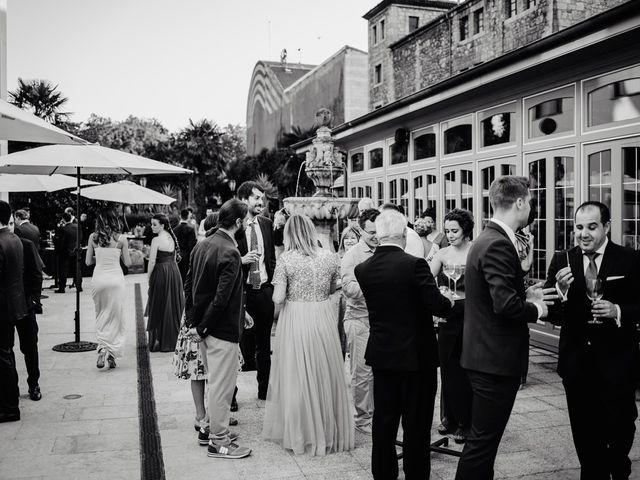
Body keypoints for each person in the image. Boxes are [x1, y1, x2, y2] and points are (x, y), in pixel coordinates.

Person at [455, 176, 551, 480]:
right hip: (494, 362)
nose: (531, 206)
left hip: (484, 356)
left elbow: (494, 295)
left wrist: (526, 292)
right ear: (520, 202)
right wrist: (538, 308)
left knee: (484, 444)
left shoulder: (488, 238)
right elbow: (505, 306)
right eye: (531, 201)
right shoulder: (497, 243)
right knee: (482, 444)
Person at [544, 201, 640, 479]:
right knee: (585, 432)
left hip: (618, 363)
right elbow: (552, 313)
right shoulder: (562, 260)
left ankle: (619, 467)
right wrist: (559, 294)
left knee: (622, 426)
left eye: (591, 226)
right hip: (577, 365)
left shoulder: (629, 259)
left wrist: (618, 310)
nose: (583, 233)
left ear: (606, 226)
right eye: (578, 227)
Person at [355, 209, 453, 480]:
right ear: (402, 233)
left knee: (384, 421)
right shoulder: (415, 264)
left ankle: (384, 475)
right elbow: (437, 305)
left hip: (383, 355)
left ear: (380, 234)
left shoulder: (363, 269)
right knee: (417, 425)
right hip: (416, 357)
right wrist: (448, 300)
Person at [262, 214, 354, 455]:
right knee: (324, 372)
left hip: (296, 318)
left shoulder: (286, 260)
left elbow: (279, 298)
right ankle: (326, 430)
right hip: (323, 316)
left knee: (297, 375)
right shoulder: (330, 256)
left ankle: (302, 433)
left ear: (290, 233)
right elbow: (337, 285)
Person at [185, 198, 252, 459]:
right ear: (237, 222)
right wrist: (202, 327)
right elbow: (222, 298)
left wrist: (194, 324)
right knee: (222, 388)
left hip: (205, 329)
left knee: (215, 384)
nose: (246, 225)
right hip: (220, 330)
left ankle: (211, 431)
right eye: (245, 221)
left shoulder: (201, 245)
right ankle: (218, 441)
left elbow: (187, 286)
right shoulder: (230, 252)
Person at [430, 208, 474, 444]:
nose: (450, 234)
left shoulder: (476, 250)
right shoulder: (442, 253)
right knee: (447, 369)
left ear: (466, 230)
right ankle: (450, 417)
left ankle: (467, 421)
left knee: (466, 370)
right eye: (447, 231)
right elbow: (427, 280)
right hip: (448, 316)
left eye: (454, 230)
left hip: (471, 316)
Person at [236, 181, 276, 400]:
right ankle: (230, 396)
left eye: (262, 198)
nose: (261, 202)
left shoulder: (267, 224)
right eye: (256, 198)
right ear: (243, 199)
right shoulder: (234, 226)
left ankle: (264, 391)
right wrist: (241, 260)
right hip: (242, 292)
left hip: (264, 292)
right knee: (236, 345)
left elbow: (271, 258)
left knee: (265, 344)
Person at [341, 208, 379, 435]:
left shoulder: (387, 249)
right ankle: (363, 419)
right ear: (361, 230)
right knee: (363, 373)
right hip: (359, 319)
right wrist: (380, 289)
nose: (376, 236)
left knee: (382, 372)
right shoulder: (353, 255)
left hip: (384, 320)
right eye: (371, 232)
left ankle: (380, 412)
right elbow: (349, 288)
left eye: (378, 231)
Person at [86, 211, 132, 369]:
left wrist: (100, 256)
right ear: (115, 222)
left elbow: (87, 262)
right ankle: (111, 353)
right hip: (115, 281)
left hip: (98, 280)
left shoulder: (93, 237)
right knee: (116, 316)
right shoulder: (122, 239)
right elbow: (128, 263)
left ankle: (103, 349)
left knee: (101, 314)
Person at [0, 201, 27, 423]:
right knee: (6, 353)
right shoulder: (14, 238)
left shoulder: (0, 241)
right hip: (14, 304)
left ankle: (10, 407)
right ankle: (12, 398)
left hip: (2, 307)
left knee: (3, 355)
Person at [12, 223, 44, 401]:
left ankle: (34, 384)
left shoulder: (26, 245)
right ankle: (12, 388)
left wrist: (34, 298)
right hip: (8, 305)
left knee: (30, 346)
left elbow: (36, 273)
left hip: (25, 304)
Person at [146, 213, 184, 352]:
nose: (152, 227)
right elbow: (174, 258)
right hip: (174, 272)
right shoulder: (171, 238)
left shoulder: (156, 240)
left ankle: (160, 340)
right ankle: (172, 338)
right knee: (172, 305)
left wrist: (149, 277)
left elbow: (151, 261)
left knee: (159, 303)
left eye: (154, 224)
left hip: (161, 272)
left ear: (162, 225)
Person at [55, 211, 82, 293]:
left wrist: (58, 250)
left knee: (63, 270)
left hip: (65, 252)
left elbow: (61, 242)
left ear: (63, 220)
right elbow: (80, 238)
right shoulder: (78, 227)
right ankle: (79, 286)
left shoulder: (63, 229)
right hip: (75, 250)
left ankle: (62, 287)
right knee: (76, 269)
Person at [173, 209, 197, 284]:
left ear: (180, 216)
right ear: (188, 216)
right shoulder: (190, 229)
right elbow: (192, 245)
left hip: (177, 255)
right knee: (186, 276)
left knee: (178, 275)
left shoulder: (175, 229)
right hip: (187, 255)